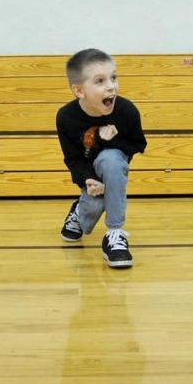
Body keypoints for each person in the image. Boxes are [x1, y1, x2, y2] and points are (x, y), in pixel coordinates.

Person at [56, 48, 147, 268]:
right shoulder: (66, 117)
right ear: (79, 91)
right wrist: (88, 179)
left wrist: (108, 145)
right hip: (88, 169)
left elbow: (138, 144)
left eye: (113, 78)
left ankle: (115, 234)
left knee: (111, 160)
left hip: (114, 164)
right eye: (100, 81)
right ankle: (81, 211)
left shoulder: (127, 111)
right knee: (94, 202)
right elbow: (73, 159)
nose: (111, 86)